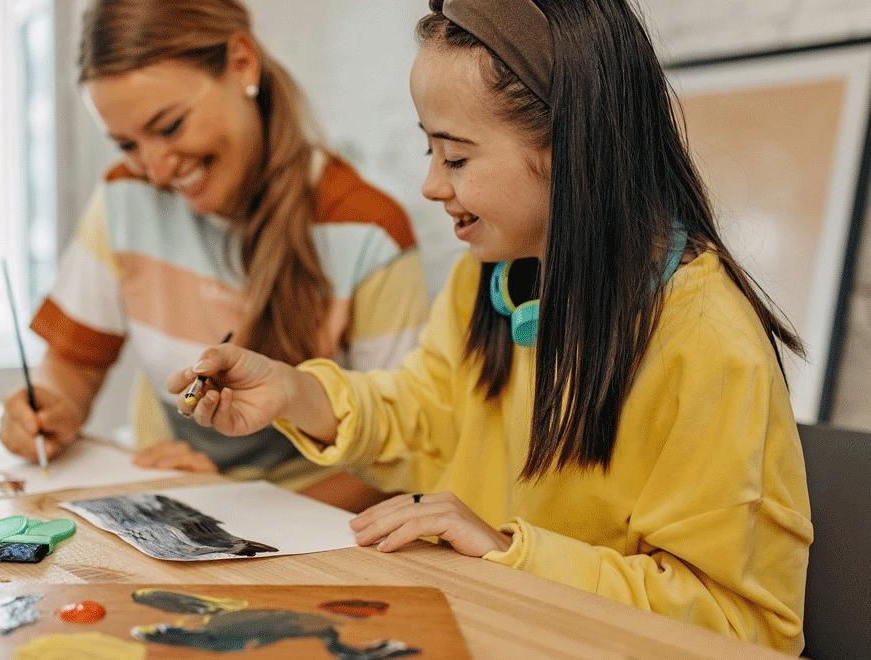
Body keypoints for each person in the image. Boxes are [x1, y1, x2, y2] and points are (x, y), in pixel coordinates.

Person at [167, 0, 812, 651]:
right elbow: (426, 417)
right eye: (429, 149)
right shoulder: (488, 278)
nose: (428, 184)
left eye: (454, 158)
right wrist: (295, 394)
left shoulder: (710, 343)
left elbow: (742, 627)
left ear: (568, 148)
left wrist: (508, 549)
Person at [0, 0, 429, 512]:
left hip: (311, 536)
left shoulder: (366, 230)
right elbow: (72, 367)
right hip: (165, 511)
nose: (155, 170)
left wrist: (228, 503)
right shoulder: (124, 197)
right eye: (126, 144)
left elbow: (401, 464)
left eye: (170, 126)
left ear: (242, 63)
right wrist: (49, 409)